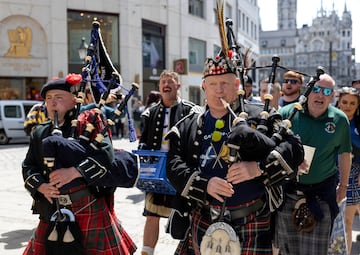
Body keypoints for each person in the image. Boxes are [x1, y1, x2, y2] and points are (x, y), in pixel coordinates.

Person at [165, 54, 304, 254]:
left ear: (237, 84)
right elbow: (173, 165)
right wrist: (205, 184)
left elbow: (295, 149)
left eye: (225, 83)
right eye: (213, 83)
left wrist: (257, 168)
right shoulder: (189, 124)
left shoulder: (259, 117)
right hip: (203, 217)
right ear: (204, 86)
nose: (219, 89)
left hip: (252, 219)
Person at [22, 77, 136, 255]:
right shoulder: (40, 131)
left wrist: (75, 172)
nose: (53, 102)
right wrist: (40, 186)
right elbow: (29, 166)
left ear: (75, 100)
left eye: (59, 97)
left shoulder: (89, 123)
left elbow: (106, 154)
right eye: (48, 98)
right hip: (53, 209)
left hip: (87, 204)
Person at [275, 73, 352, 254]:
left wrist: (343, 187)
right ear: (307, 91)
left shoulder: (340, 120)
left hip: (322, 194)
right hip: (288, 192)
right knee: (288, 250)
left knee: (317, 251)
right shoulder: (287, 114)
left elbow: (345, 154)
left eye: (326, 91)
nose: (320, 95)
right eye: (316, 89)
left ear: (332, 96)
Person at [138, 70, 195, 255]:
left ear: (178, 86)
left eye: (170, 81)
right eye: (163, 81)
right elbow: (143, 141)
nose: (166, 84)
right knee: (152, 214)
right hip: (156, 172)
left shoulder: (190, 110)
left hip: (181, 172)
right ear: (159, 87)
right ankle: (147, 252)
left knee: (187, 216)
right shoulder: (151, 112)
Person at [336, 86, 360, 253]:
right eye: (344, 102)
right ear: (338, 102)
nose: (348, 106)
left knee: (349, 221)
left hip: (357, 174)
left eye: (352, 103)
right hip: (333, 175)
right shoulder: (331, 121)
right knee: (343, 222)